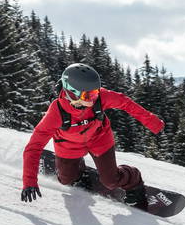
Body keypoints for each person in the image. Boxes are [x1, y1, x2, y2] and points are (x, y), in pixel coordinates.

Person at [20, 63, 164, 207]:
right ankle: (78, 173)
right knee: (66, 179)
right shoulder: (55, 113)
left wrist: (153, 122)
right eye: (88, 95)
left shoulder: (100, 98)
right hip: (68, 145)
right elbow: (34, 147)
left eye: (94, 93)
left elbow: (125, 103)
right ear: (71, 92)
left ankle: (134, 181)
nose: (93, 98)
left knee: (111, 181)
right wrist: (29, 182)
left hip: (99, 139)